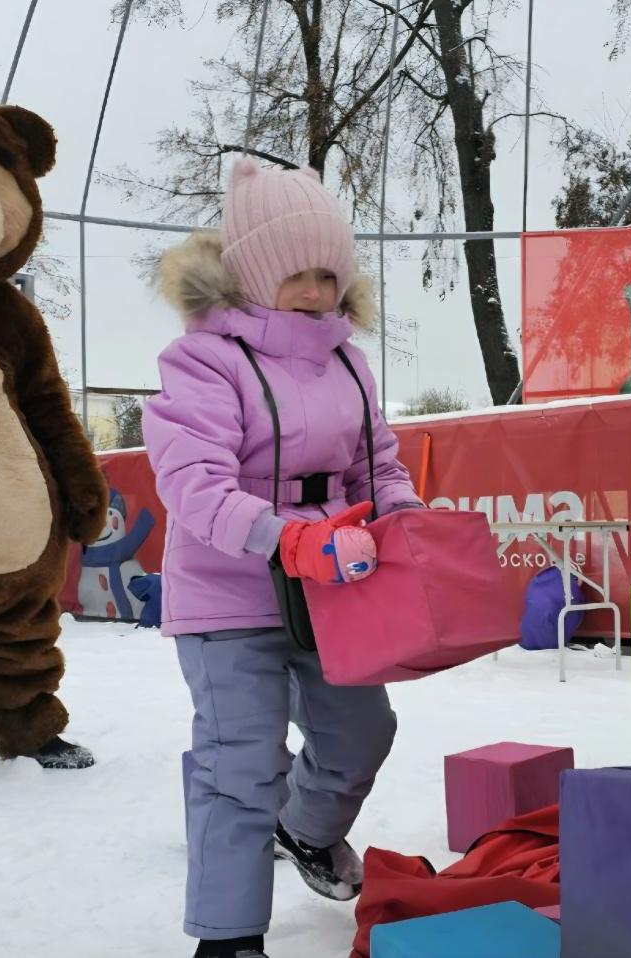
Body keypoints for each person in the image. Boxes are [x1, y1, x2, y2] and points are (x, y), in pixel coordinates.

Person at [143, 157, 424, 958]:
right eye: (295, 272)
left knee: (361, 732)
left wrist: (404, 515)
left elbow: (378, 463)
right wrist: (285, 535)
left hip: (333, 589)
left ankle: (303, 831)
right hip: (230, 595)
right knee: (241, 761)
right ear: (257, 273)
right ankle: (229, 935)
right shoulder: (202, 360)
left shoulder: (346, 360)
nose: (314, 289)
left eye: (328, 274)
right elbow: (193, 485)